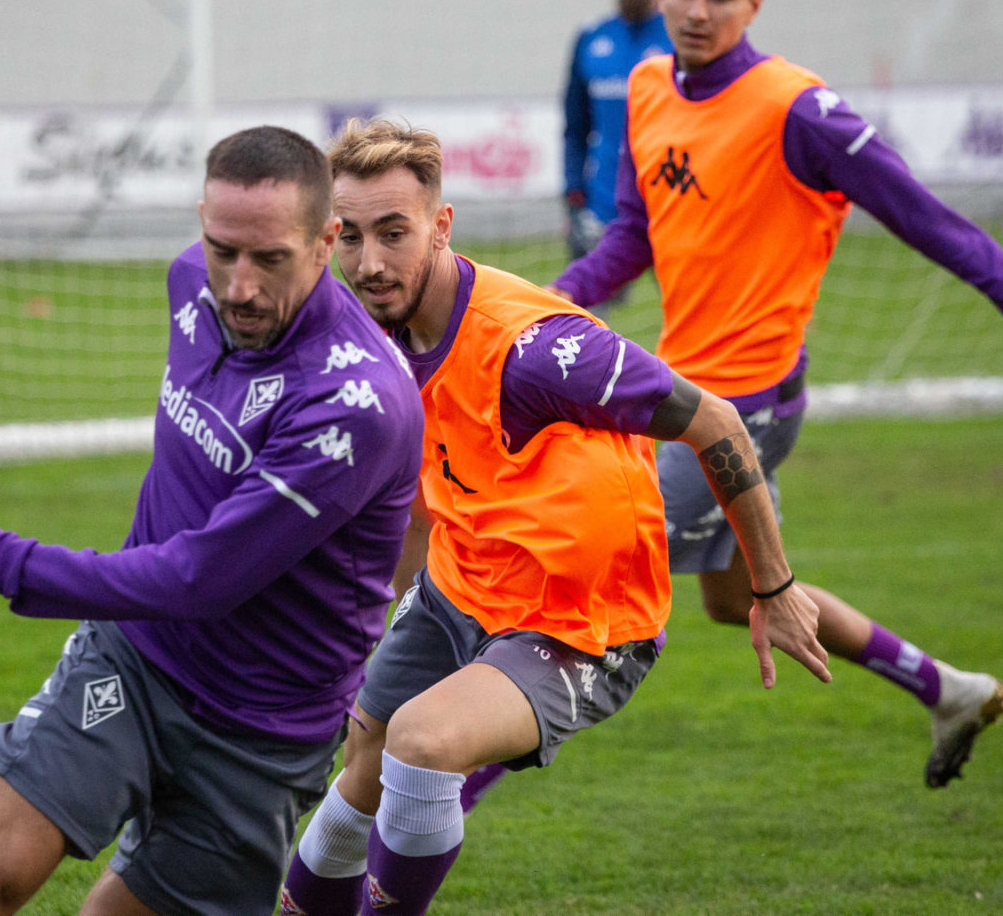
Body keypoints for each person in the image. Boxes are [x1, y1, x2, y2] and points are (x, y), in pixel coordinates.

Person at [550, 0, 1003, 789]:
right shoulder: (650, 86)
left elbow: (931, 223)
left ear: (754, 5)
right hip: (688, 391)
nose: (698, 11)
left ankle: (438, 775)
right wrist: (544, 300)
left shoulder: (800, 110)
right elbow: (630, 237)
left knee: (595, 564)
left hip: (750, 404)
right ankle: (947, 687)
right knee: (738, 600)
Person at [278, 120, 831, 916]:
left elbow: (718, 422)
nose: (370, 261)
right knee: (361, 758)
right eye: (352, 236)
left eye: (394, 233)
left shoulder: (536, 350)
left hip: (583, 621)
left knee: (423, 742)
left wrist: (773, 586)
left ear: (441, 225)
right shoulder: (364, 331)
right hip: (461, 584)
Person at [0, 126, 424, 916]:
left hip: (261, 735)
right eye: (223, 250)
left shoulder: (356, 405)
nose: (239, 286)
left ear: (326, 243)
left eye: (269, 259)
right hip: (135, 656)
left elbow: (204, 576)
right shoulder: (190, 282)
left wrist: (4, 559)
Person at [562, 0, 674, 272]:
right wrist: (572, 196)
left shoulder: (683, 37)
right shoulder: (590, 38)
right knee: (582, 315)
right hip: (603, 207)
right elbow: (574, 127)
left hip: (671, 204)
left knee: (693, 316)